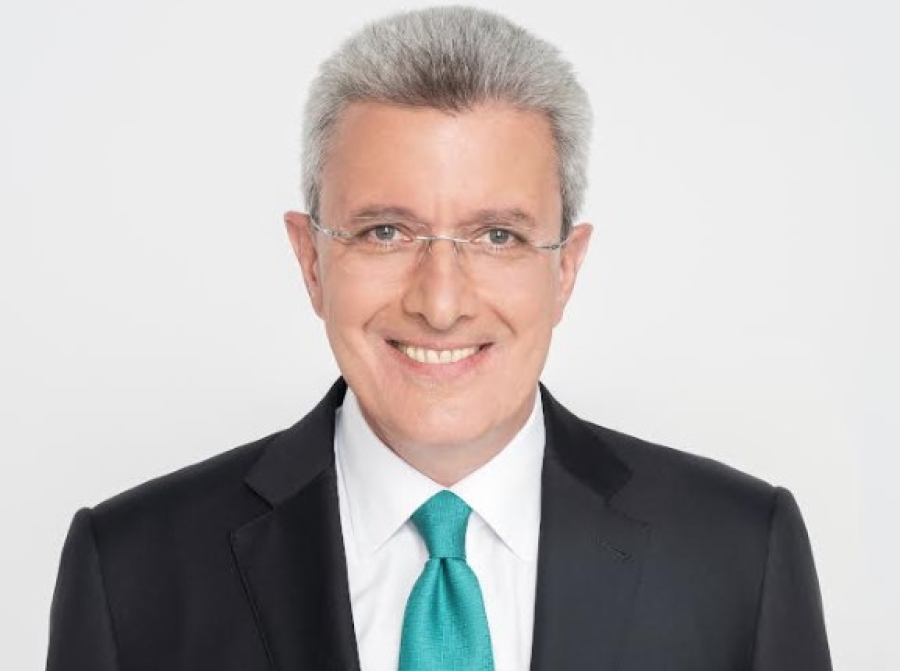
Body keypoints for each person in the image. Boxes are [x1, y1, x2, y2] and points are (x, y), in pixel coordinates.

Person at [46, 6, 831, 670]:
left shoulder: (739, 554)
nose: (442, 303)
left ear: (566, 269)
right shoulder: (130, 570)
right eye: (386, 231)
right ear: (311, 260)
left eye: (497, 236)